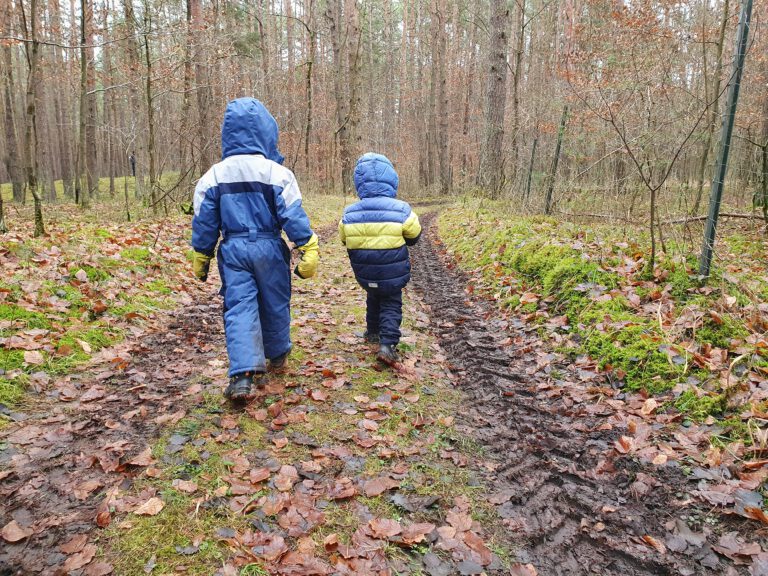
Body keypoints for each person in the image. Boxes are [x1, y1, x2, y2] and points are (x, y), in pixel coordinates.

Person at [191, 97, 319, 400]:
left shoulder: (213, 176)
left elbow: (204, 219)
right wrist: (307, 245)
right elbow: (292, 213)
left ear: (227, 133)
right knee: (275, 301)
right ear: (266, 132)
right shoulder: (276, 173)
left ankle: (242, 375)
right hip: (270, 247)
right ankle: (277, 355)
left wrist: (202, 253)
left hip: (233, 249)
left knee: (239, 305)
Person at [339, 153, 421, 364]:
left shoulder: (349, 213)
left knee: (373, 294)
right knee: (391, 301)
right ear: (392, 179)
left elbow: (344, 238)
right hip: (391, 271)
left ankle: (373, 332)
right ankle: (387, 344)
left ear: (359, 182)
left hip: (365, 270)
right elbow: (414, 235)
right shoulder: (402, 209)